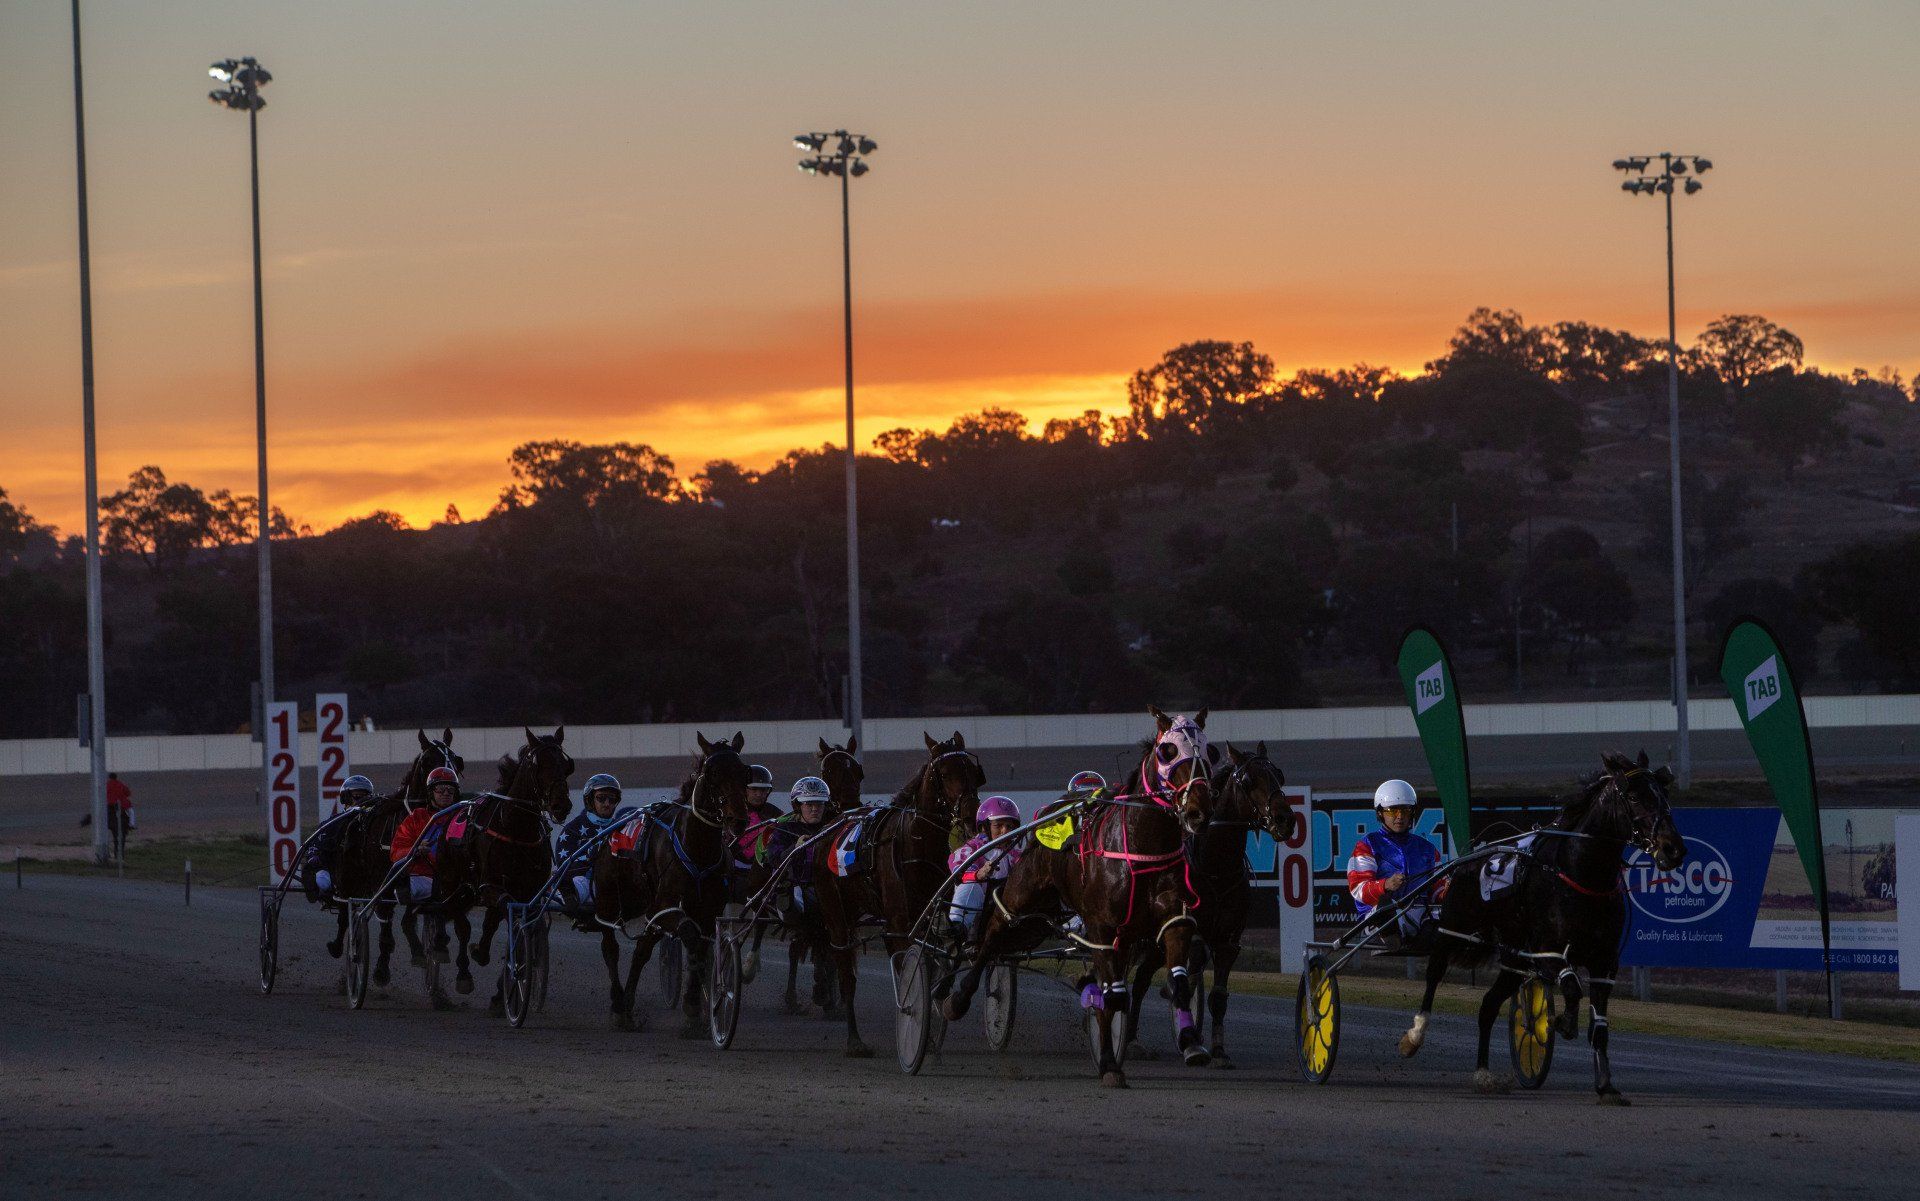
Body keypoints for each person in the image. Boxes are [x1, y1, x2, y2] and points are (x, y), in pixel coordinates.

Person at [1345, 779, 1445, 945]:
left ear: (1412, 812)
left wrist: (1449, 890)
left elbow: (1438, 890)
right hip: (1379, 916)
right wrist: (1385, 885)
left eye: (1405, 810)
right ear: (1380, 813)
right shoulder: (1368, 845)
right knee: (1386, 905)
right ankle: (1394, 936)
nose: (1399, 817)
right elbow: (1358, 889)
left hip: (1420, 914)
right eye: (1392, 811)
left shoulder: (1427, 848)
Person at [947, 795, 1021, 940]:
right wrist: (978, 874)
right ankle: (957, 927)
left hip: (1002, 912)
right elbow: (959, 874)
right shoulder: (972, 849)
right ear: (984, 827)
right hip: (976, 910)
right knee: (972, 886)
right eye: (998, 826)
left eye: (1009, 826)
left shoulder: (1016, 855)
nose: (1005, 831)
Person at [760, 777, 833, 917]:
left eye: (819, 804)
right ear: (798, 806)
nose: (815, 809)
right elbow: (774, 860)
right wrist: (796, 847)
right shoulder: (783, 829)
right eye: (809, 804)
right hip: (793, 888)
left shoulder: (832, 828)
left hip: (827, 887)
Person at [554, 773, 622, 919]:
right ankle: (568, 895)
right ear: (590, 800)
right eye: (601, 798)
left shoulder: (623, 828)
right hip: (585, 882)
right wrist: (592, 863)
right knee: (579, 882)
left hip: (614, 885)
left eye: (612, 799)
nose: (607, 804)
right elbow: (564, 863)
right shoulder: (573, 829)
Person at [390, 766, 461, 906]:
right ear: (430, 792)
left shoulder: (461, 817)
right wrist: (415, 850)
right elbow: (395, 852)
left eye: (450, 790)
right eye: (440, 789)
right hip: (422, 876)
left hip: (454, 878)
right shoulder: (416, 818)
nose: (446, 793)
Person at [302, 774, 377, 903]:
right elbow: (315, 844)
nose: (362, 801)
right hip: (336, 870)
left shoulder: (374, 824)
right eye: (357, 796)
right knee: (322, 880)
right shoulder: (334, 823)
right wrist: (314, 855)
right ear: (345, 798)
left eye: (365, 797)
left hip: (366, 870)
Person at [736, 764, 784, 869]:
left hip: (765, 869)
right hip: (731, 867)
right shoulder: (731, 812)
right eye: (754, 789)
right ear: (744, 789)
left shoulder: (777, 814)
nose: (758, 794)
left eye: (763, 790)